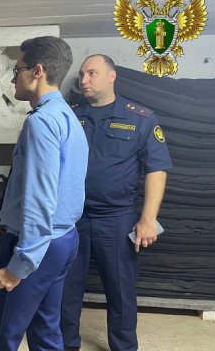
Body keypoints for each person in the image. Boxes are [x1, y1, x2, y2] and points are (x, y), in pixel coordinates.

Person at [0, 36, 88, 351]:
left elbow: (40, 200)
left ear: (37, 71)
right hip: (63, 238)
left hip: (37, 244)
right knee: (45, 329)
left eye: (17, 70)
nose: (13, 78)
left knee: (0, 335)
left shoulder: (42, 123)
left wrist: (20, 266)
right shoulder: (67, 116)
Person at [61, 54, 173, 351]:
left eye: (92, 73)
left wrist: (148, 219)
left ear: (112, 76)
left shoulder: (139, 118)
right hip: (73, 218)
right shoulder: (70, 116)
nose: (84, 80)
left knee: (121, 292)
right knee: (65, 289)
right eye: (82, 74)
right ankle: (65, 345)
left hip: (117, 218)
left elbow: (156, 169)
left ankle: (123, 347)